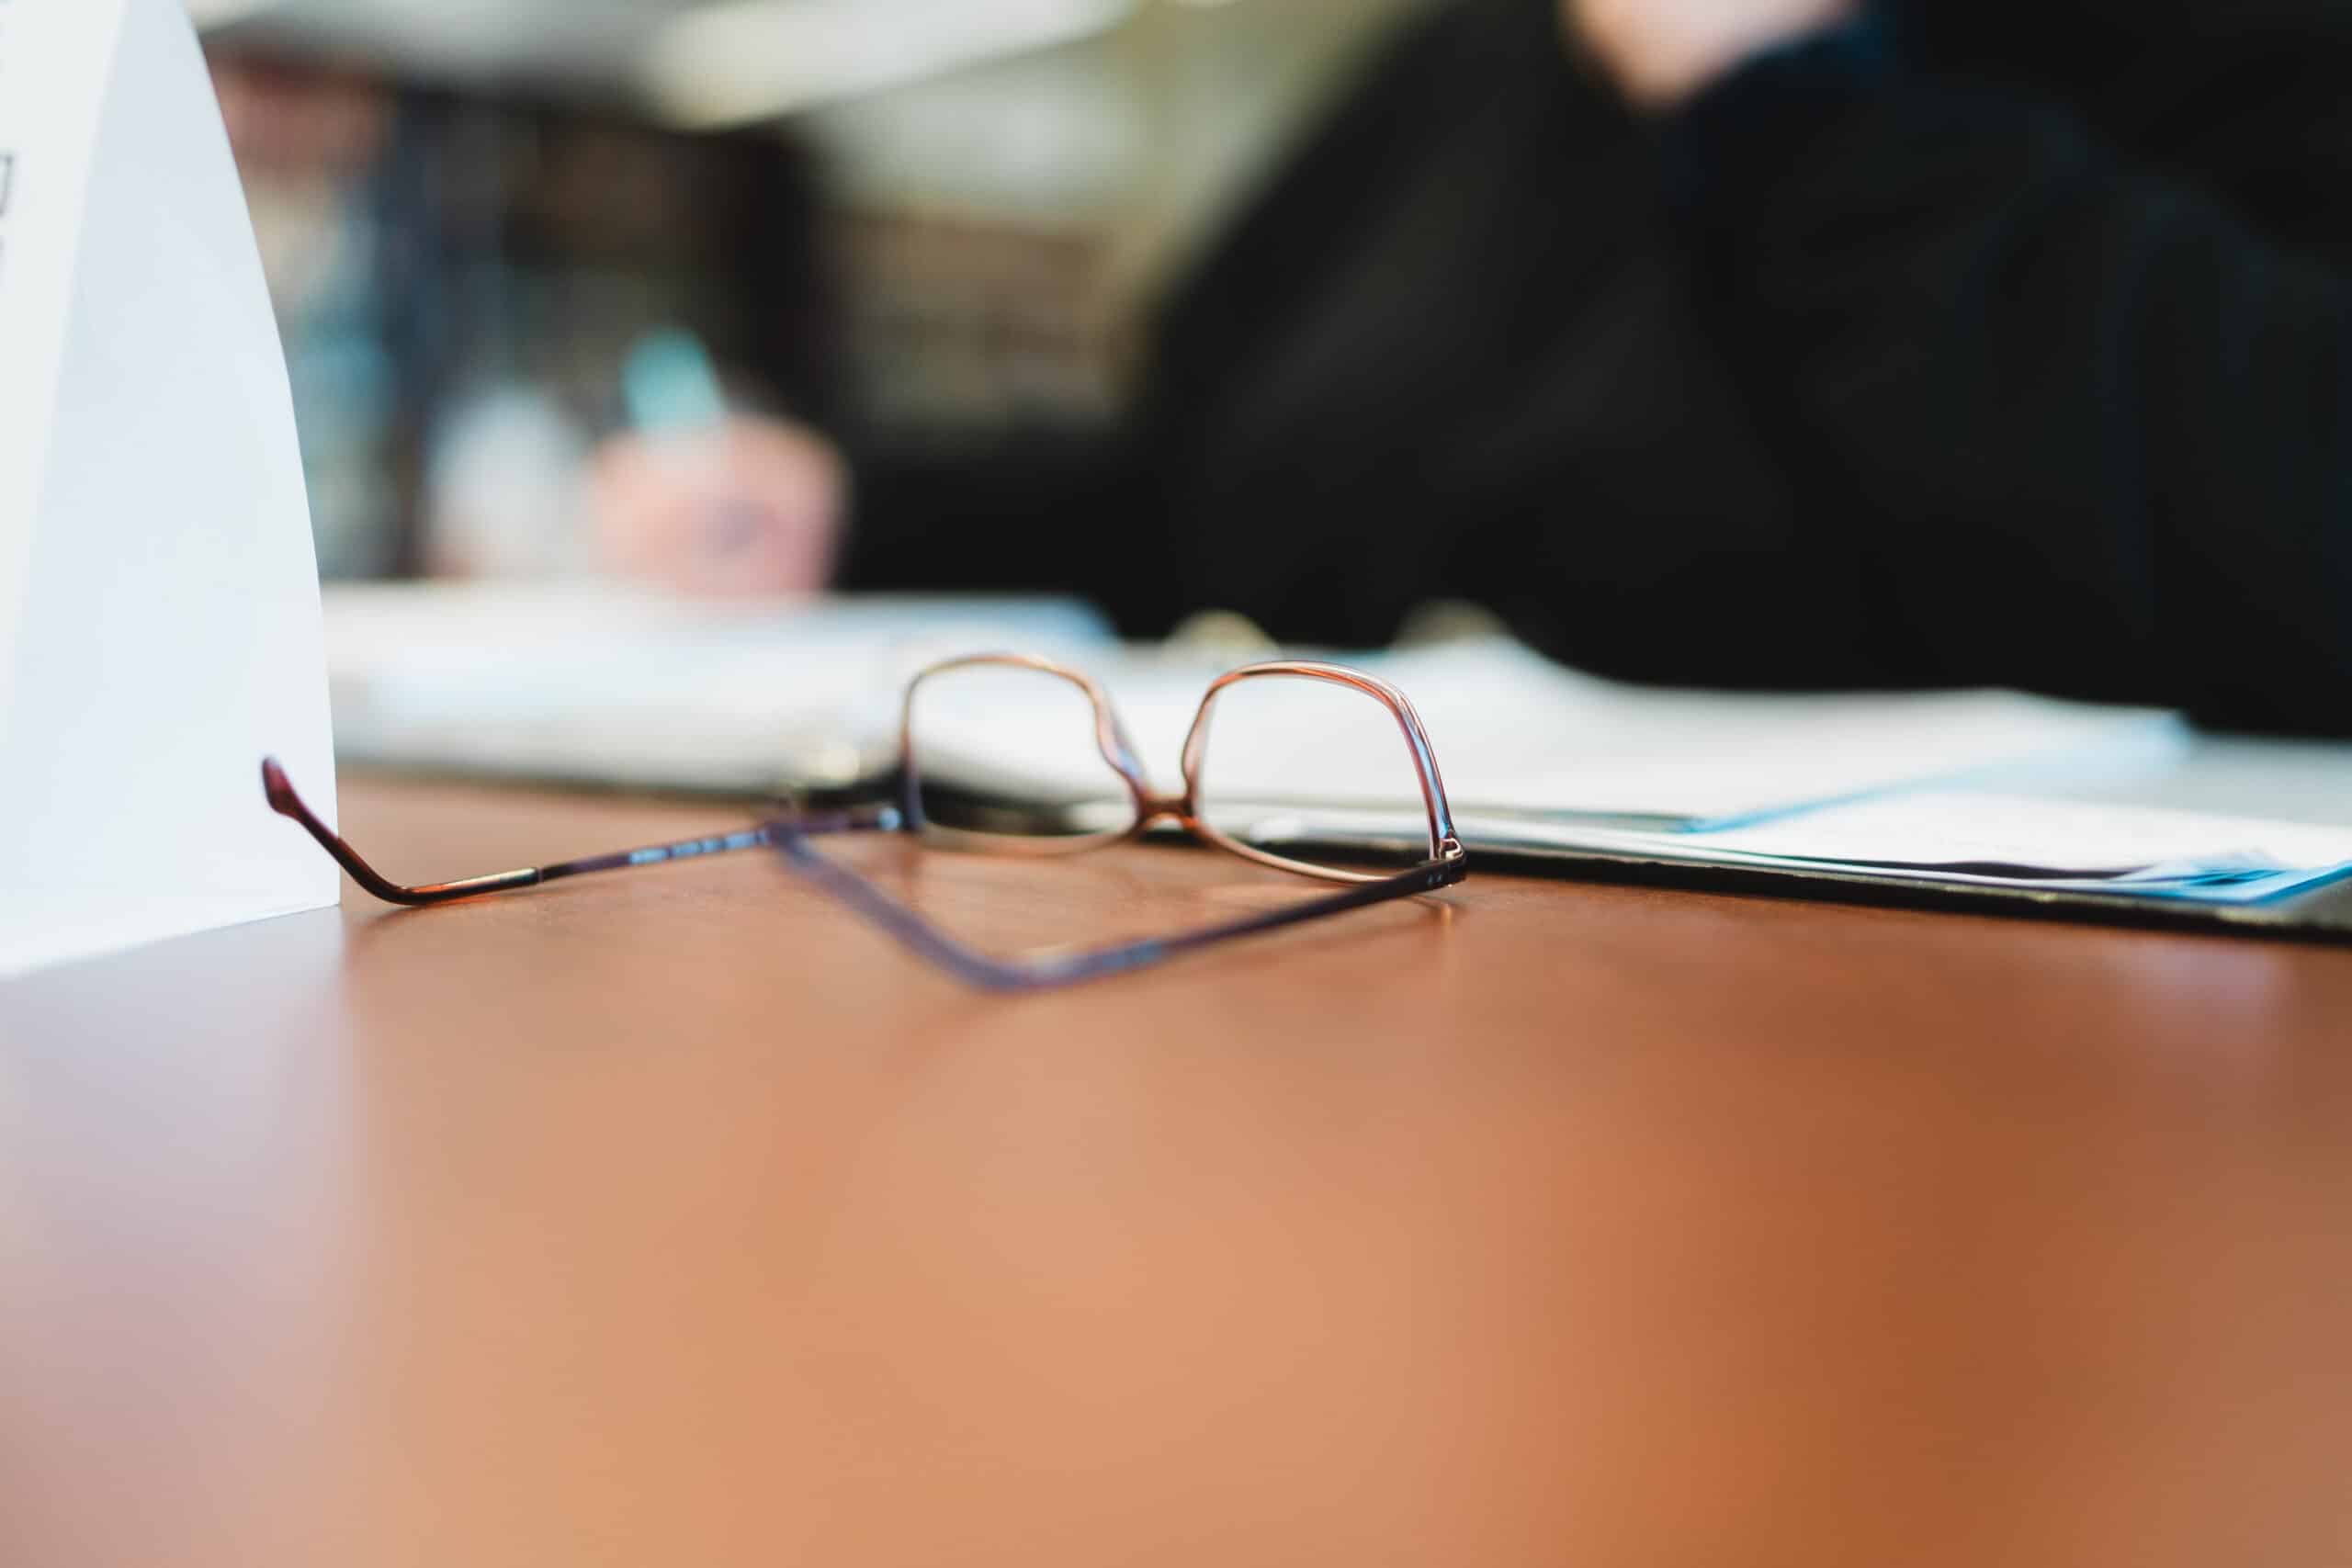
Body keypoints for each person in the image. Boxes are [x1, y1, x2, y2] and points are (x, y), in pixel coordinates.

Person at [598, 0, 2352, 735]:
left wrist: (1784, 95)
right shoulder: (1473, 69)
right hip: (1354, 1027)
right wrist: (858, 517)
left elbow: (2285, 514)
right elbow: (1229, 487)